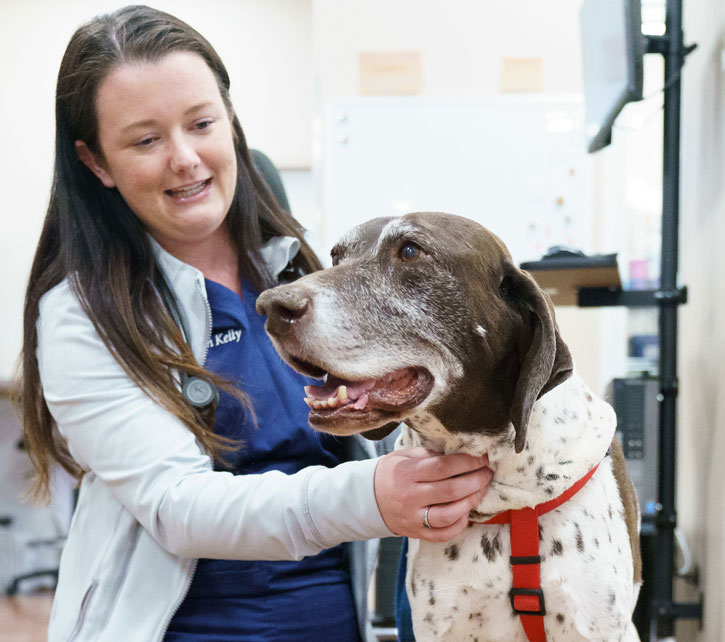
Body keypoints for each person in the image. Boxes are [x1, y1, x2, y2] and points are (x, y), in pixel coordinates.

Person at [20, 6, 493, 642]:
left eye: (201, 123)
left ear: (231, 118)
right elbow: (176, 507)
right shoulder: (81, 315)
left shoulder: (296, 268)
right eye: (145, 140)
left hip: (337, 620)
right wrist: (373, 497)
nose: (185, 158)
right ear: (97, 162)